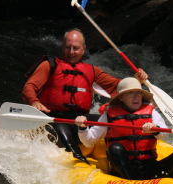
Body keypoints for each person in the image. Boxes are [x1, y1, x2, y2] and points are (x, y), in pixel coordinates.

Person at [22, 28, 148, 164]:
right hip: (52, 118)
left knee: (113, 120)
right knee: (61, 128)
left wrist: (136, 81)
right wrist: (34, 101)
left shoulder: (91, 71)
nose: (71, 52)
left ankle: (128, 155)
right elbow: (29, 87)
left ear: (83, 49)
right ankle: (79, 160)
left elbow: (119, 86)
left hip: (79, 120)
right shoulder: (49, 65)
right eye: (67, 47)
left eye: (75, 48)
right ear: (62, 47)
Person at [75, 77, 173, 180]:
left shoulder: (151, 112)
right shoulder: (108, 116)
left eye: (139, 93)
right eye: (131, 93)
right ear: (121, 98)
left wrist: (155, 129)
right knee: (115, 148)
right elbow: (89, 141)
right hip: (123, 171)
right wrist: (83, 127)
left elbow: (163, 132)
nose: (136, 97)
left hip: (150, 167)